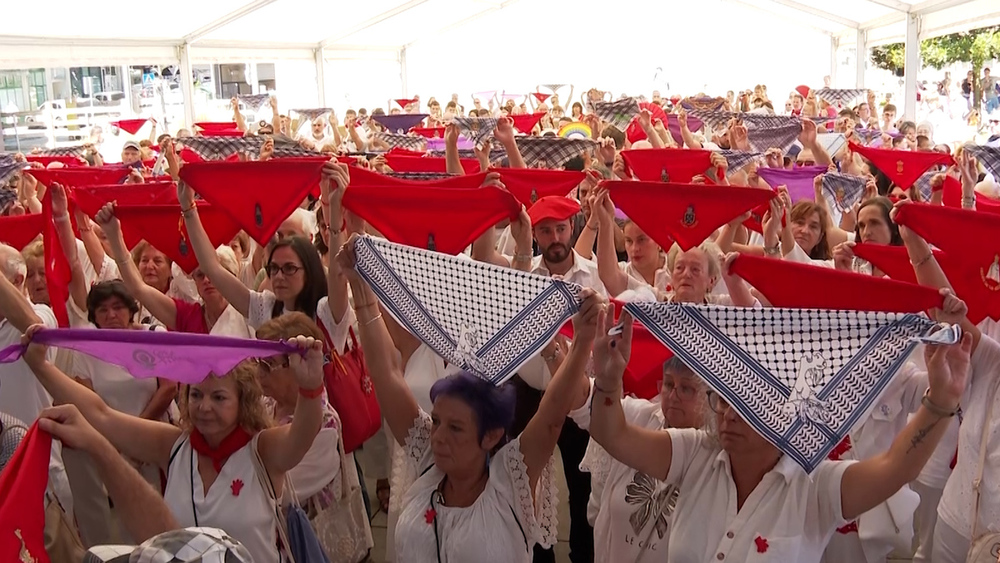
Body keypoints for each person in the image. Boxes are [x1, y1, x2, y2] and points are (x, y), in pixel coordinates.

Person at [587, 296, 973, 563]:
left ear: (781, 414)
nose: (728, 417)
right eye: (723, 401)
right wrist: (607, 380)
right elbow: (614, 435)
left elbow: (894, 469)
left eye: (748, 407)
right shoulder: (696, 453)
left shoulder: (814, 487)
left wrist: (941, 399)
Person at [337, 233, 602, 561]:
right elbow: (386, 376)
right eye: (436, 421)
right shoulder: (427, 461)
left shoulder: (510, 481)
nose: (437, 436)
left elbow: (551, 417)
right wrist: (361, 292)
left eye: (456, 428)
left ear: (491, 435)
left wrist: (582, 342)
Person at [20, 316, 326, 562]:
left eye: (219, 397)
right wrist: (40, 366)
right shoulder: (175, 445)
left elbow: (302, 434)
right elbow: (102, 416)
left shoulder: (262, 450)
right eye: (196, 395)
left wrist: (311, 388)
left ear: (243, 401)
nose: (204, 407)